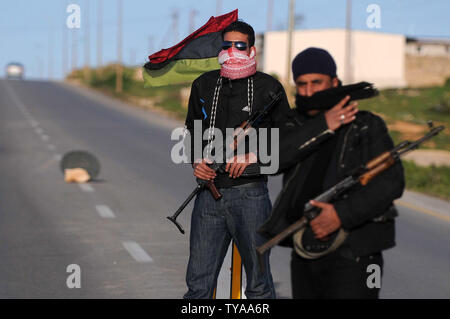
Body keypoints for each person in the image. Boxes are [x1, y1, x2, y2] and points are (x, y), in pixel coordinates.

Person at [259, 47, 405, 299]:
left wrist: (340, 215)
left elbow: (390, 183)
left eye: (317, 82)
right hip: (305, 250)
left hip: (356, 252)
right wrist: (323, 126)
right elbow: (271, 159)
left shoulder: (366, 125)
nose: (308, 91)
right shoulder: (293, 124)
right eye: (301, 84)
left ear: (335, 82)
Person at [183, 20, 291, 299]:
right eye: (226, 45)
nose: (232, 51)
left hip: (251, 196)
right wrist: (197, 162)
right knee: (198, 285)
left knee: (258, 285)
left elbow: (290, 142)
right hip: (208, 196)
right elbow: (191, 131)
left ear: (252, 50)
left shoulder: (270, 88)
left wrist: (254, 158)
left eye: (239, 45)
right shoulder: (204, 85)